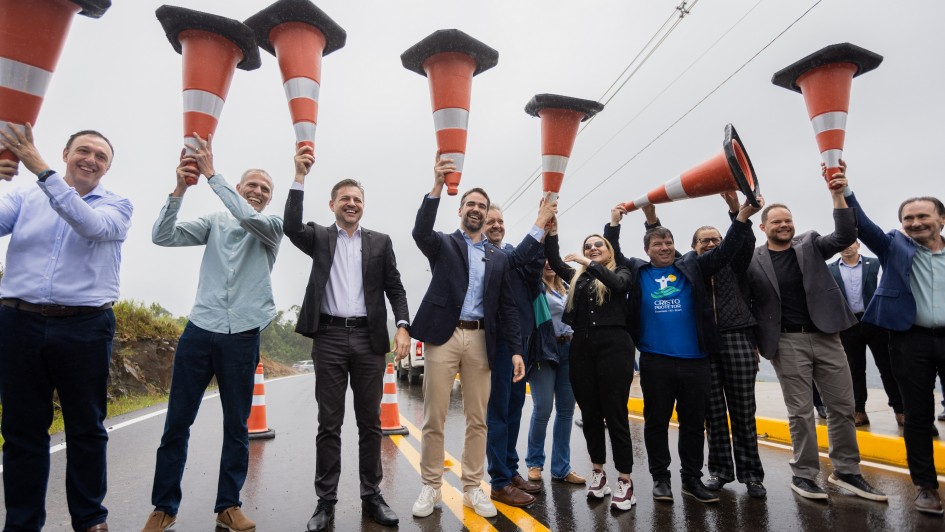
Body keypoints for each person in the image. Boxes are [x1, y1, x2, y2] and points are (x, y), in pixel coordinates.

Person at [142, 134, 282, 532]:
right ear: (239, 189)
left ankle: (228, 506)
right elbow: (162, 236)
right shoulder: (214, 222)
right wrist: (179, 190)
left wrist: (212, 175)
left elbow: (248, 218)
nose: (257, 191)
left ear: (269, 199)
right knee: (177, 423)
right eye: (251, 185)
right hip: (200, 329)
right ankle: (164, 507)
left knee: (236, 425)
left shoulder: (270, 226)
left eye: (264, 189)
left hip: (243, 334)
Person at [0, 124, 131, 532]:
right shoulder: (24, 195)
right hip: (18, 320)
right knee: (21, 429)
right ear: (66, 153)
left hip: (84, 326)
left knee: (85, 427)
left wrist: (38, 168)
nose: (90, 159)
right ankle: (22, 524)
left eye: (100, 156)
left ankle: (90, 518)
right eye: (83, 151)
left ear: (107, 168)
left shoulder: (117, 205)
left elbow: (89, 225)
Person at [283, 146, 410, 531]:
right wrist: (299, 176)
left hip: (370, 341)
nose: (351, 204)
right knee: (329, 423)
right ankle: (326, 502)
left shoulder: (381, 242)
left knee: (370, 422)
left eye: (357, 199)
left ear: (363, 206)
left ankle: (372, 496)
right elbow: (290, 226)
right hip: (331, 338)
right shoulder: (320, 237)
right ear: (333, 203)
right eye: (345, 199)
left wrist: (402, 325)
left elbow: (396, 287)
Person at [606, 194, 759, 505]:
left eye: (667, 243)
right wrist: (613, 224)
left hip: (696, 362)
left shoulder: (694, 267)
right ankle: (661, 479)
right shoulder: (638, 272)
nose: (663, 248)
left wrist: (742, 215)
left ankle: (691, 479)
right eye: (656, 244)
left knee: (693, 425)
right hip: (655, 362)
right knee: (656, 423)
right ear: (647, 251)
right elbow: (615, 253)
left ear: (674, 246)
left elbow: (727, 250)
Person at [745, 170, 886, 503]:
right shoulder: (752, 260)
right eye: (777, 222)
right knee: (801, 412)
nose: (784, 225)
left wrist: (837, 194)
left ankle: (846, 471)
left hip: (826, 335)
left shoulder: (808, 243)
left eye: (788, 220)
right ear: (764, 227)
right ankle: (805, 475)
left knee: (843, 406)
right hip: (787, 342)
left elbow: (844, 234)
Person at [409, 156, 525, 518]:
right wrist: (437, 186)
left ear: (487, 213)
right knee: (435, 416)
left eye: (482, 206)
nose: (476, 210)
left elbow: (507, 307)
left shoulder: (498, 257)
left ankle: (474, 488)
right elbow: (420, 233)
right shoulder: (444, 244)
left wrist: (517, 351)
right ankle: (431, 486)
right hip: (443, 338)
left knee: (479, 418)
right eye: (471, 204)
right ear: (461, 209)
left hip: (480, 341)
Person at [839, 161, 944, 515]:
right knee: (917, 415)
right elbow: (863, 225)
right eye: (908, 218)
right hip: (909, 340)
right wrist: (843, 190)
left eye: (923, 217)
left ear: (941, 219)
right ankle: (926, 487)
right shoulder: (894, 248)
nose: (915, 223)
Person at [544, 226, 636, 511]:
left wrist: (588, 263)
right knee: (591, 415)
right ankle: (599, 473)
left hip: (615, 347)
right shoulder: (577, 279)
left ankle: (625, 481)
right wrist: (553, 232)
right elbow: (555, 260)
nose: (592, 248)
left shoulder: (621, 271)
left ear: (609, 250)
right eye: (587, 247)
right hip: (581, 348)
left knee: (616, 414)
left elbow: (619, 286)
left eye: (599, 245)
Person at [482, 202, 556, 506]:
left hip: (521, 342)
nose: (497, 225)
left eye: (500, 221)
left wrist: (545, 234)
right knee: (498, 412)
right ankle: (499, 480)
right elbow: (515, 259)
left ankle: (510, 471)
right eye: (491, 221)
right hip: (500, 343)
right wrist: (537, 223)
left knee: (513, 409)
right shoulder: (486, 254)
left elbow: (533, 267)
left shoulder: (512, 250)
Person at [828, 241, 904, 427]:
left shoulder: (876, 264)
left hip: (876, 323)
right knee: (854, 370)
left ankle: (900, 410)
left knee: (888, 367)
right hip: (848, 325)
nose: (847, 247)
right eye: (843, 244)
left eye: (851, 243)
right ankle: (859, 411)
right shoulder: (830, 270)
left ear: (858, 244)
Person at [525, 261, 585, 486]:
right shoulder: (535, 287)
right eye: (544, 261)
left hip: (570, 349)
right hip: (544, 350)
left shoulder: (569, 287)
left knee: (566, 411)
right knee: (543, 408)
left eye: (553, 260)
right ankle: (534, 463)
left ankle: (561, 467)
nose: (549, 264)